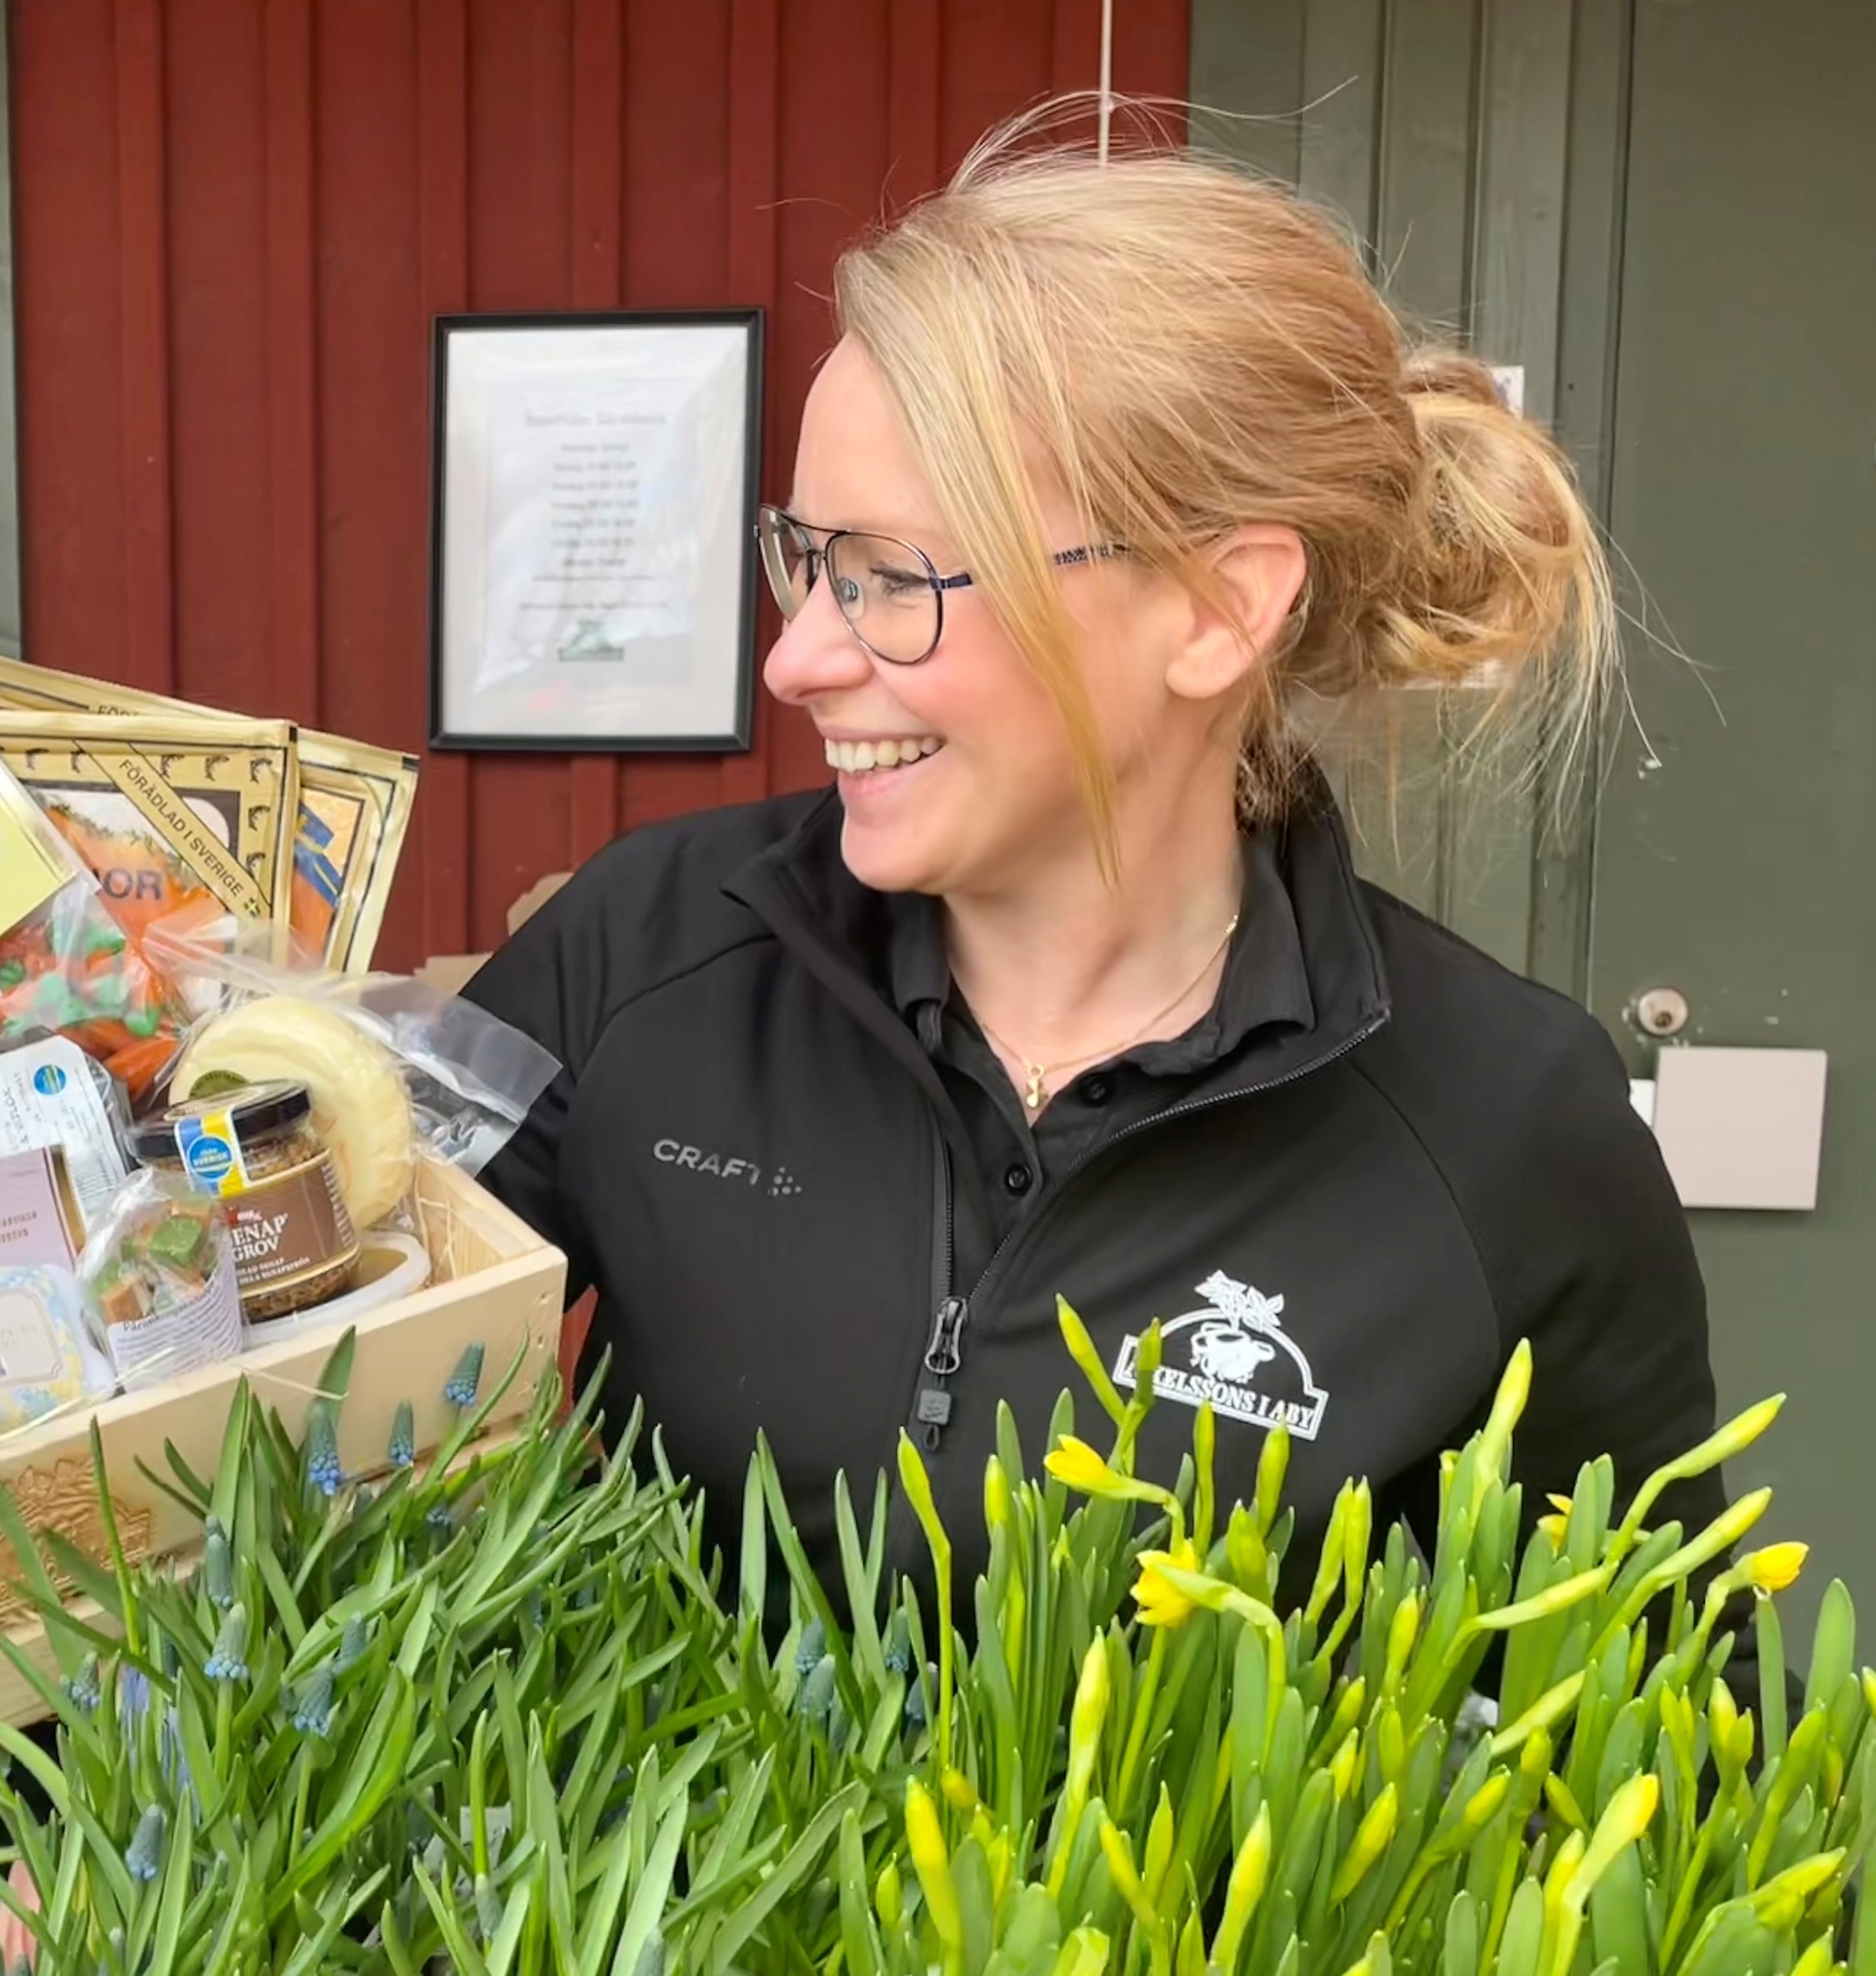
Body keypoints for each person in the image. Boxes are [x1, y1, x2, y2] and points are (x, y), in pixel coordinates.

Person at [462, 124, 1736, 1612]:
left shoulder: (1503, 1126)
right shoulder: (644, 953)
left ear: (1217, 609)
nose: (796, 659)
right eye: (808, 559)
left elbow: (1658, 1699)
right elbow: (310, 1376)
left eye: (892, 579)